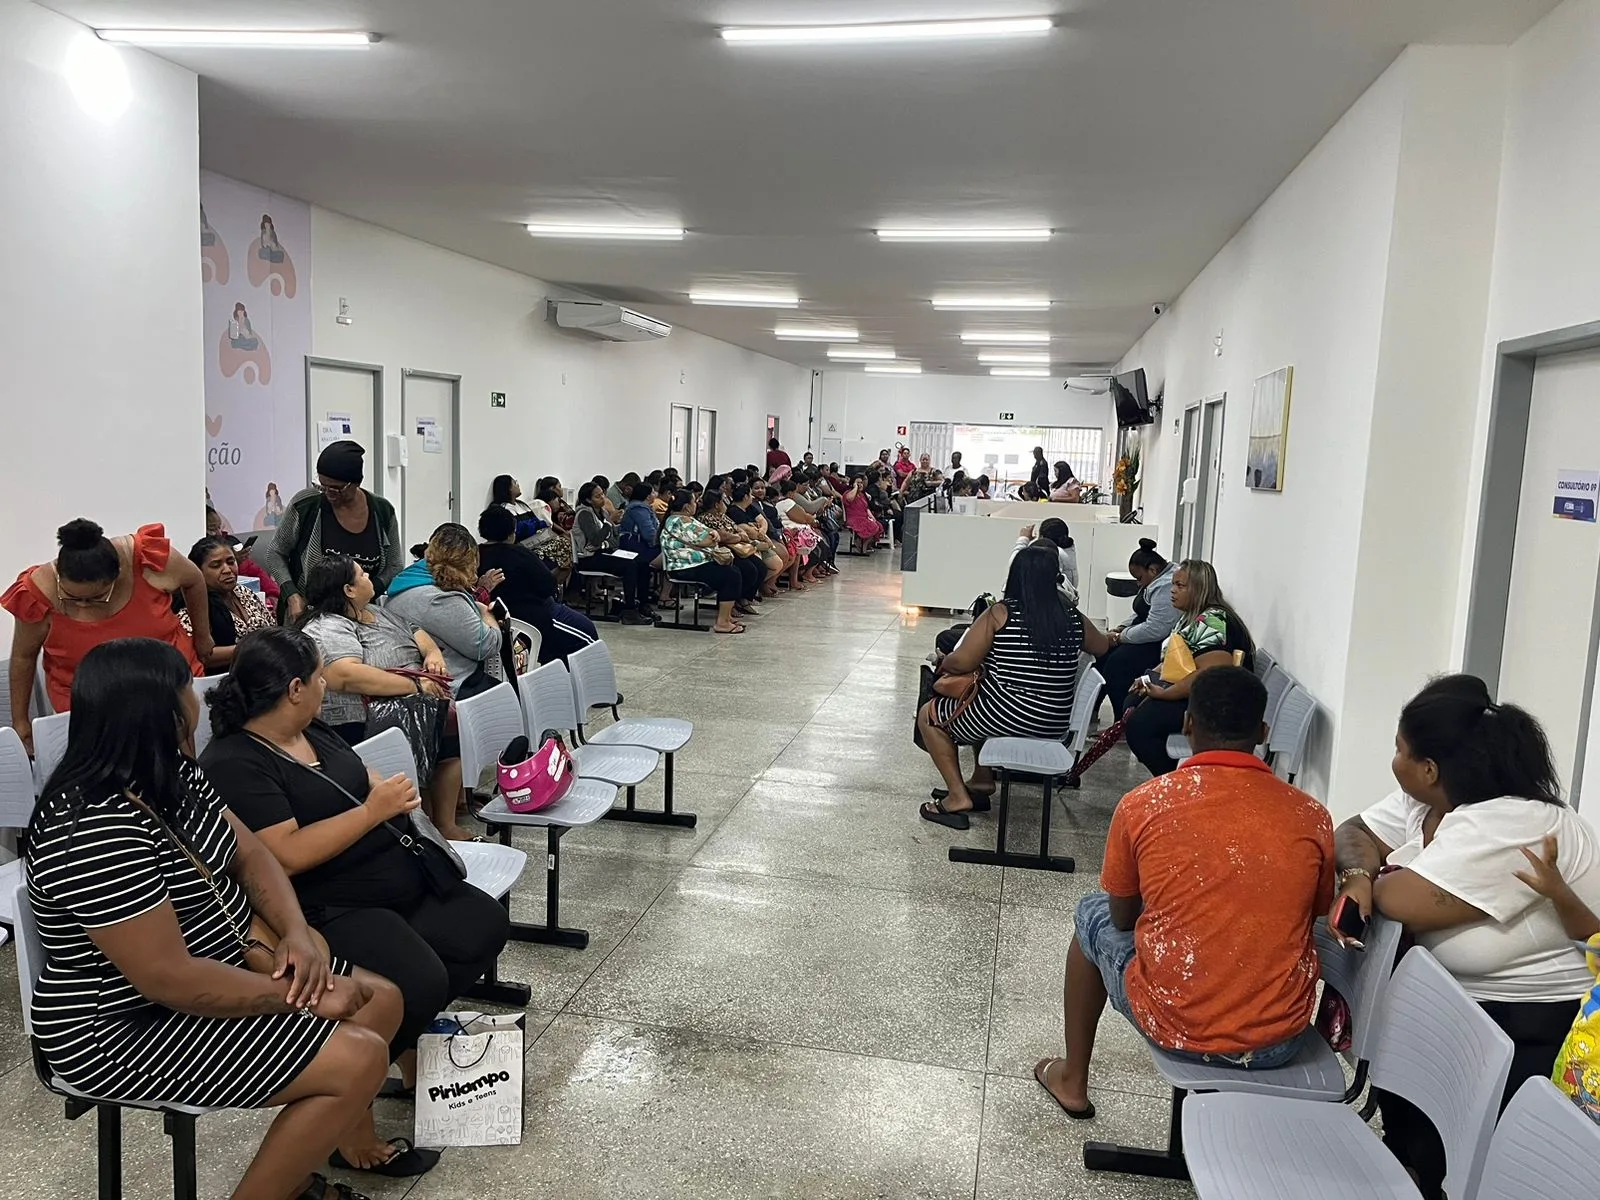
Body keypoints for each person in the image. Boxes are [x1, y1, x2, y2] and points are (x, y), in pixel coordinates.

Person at [27, 637, 403, 1200]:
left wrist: (296, 932)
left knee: (383, 1001)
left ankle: (304, 1168)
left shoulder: (171, 772)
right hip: (121, 1025)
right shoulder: (93, 830)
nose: (198, 700)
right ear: (162, 711)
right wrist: (296, 998)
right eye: (187, 688)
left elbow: (251, 854)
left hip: (221, 959)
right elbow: (168, 979)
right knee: (359, 1057)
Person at [202, 628, 511, 1175]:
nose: (326, 685)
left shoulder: (310, 729)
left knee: (480, 926)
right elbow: (285, 855)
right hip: (326, 904)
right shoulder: (235, 762)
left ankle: (400, 1049)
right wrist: (371, 812)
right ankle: (350, 1118)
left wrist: (385, 796)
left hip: (391, 876)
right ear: (294, 689)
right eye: (319, 677)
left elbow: (359, 776)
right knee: (420, 978)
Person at [1329, 674, 1600, 1198]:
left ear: (1429, 769)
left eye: (1399, 749)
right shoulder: (1431, 799)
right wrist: (1359, 873)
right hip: (1462, 1009)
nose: (1393, 760)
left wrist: (1373, 880)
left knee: (1470, 1169)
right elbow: (1353, 831)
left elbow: (1400, 900)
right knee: (1412, 1128)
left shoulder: (1515, 822)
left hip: (1531, 1029)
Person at [1033, 667, 1334, 1120]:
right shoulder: (1311, 815)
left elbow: (1121, 918)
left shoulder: (1145, 803)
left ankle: (1073, 1078)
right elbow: (1313, 912)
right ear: (1263, 732)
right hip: (1280, 1039)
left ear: (1189, 724)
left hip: (1175, 1023)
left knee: (1091, 913)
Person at [297, 558, 469, 841]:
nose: (369, 576)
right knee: (441, 723)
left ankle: (444, 823)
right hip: (363, 717)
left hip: (412, 701)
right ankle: (424, 826)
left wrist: (432, 654)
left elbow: (414, 630)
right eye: (362, 574)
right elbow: (345, 675)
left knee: (451, 726)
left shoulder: (374, 610)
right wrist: (415, 685)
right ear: (349, 590)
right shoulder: (328, 626)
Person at [919, 546, 1087, 828]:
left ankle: (958, 796)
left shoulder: (1001, 613)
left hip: (1009, 715)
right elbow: (1101, 645)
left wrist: (945, 660)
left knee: (930, 715)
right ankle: (982, 780)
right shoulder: (1072, 616)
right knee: (982, 700)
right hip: (1054, 722)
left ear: (1016, 576)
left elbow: (963, 661)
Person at [5, 520, 210, 747]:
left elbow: (194, 580)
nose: (83, 605)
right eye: (72, 598)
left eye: (96, 597)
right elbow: (23, 657)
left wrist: (203, 637)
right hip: (90, 708)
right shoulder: (38, 592)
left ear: (117, 575)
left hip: (170, 687)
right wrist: (20, 721)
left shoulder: (148, 559)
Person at [1121, 559, 1253, 776]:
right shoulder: (1191, 616)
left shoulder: (1212, 621)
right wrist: (1149, 678)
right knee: (1133, 701)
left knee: (1141, 727)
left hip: (1219, 705)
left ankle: (1173, 781)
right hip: (1200, 694)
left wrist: (1166, 693)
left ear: (1199, 589)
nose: (1172, 590)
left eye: (1180, 586)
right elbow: (1175, 658)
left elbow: (1210, 675)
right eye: (1173, 584)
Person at [263, 441, 403, 622]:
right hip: (307, 612)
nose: (329, 493)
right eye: (322, 486)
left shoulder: (382, 511)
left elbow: (394, 565)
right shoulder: (306, 504)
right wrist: (291, 594)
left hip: (360, 613)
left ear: (356, 483)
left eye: (336, 488)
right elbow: (275, 553)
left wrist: (368, 591)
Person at [382, 523, 506, 688]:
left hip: (414, 676)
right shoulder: (440, 600)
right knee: (510, 694)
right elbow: (486, 646)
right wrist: (486, 613)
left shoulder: (407, 581)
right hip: (453, 684)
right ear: (470, 564)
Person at [475, 506, 599, 664]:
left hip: (501, 622)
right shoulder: (519, 554)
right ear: (511, 531)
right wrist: (561, 571)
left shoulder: (476, 555)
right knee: (587, 633)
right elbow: (549, 585)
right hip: (537, 617)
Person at [1096, 539, 1180, 717]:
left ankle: (1122, 720)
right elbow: (1140, 613)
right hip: (1144, 634)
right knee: (1101, 654)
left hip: (1156, 643)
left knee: (1116, 665)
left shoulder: (1166, 586)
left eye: (1139, 578)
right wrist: (1120, 628)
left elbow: (1156, 629)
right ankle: (1091, 711)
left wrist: (1120, 637)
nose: (1138, 584)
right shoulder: (1156, 578)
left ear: (1153, 570)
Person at [181, 536, 276, 674]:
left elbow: (271, 626)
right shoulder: (193, 605)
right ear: (198, 572)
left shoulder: (243, 592)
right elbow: (203, 656)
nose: (227, 570)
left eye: (231, 562)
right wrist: (254, 648)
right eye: (216, 565)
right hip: (224, 678)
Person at [660, 490, 747, 635]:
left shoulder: (688, 519)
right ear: (687, 507)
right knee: (730, 576)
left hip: (697, 564)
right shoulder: (677, 522)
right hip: (684, 567)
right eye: (694, 502)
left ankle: (726, 617)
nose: (697, 504)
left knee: (734, 571)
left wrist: (714, 534)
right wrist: (713, 536)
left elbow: (710, 533)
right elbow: (707, 539)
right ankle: (722, 623)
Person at [572, 481, 655, 624]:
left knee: (642, 562)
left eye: (602, 495)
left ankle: (642, 603)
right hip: (589, 558)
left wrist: (611, 532)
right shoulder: (584, 514)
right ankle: (629, 610)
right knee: (629, 565)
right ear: (588, 500)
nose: (603, 498)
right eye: (598, 496)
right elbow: (596, 540)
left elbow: (613, 538)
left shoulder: (602, 512)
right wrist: (609, 523)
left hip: (605, 552)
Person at [696, 489, 766, 615]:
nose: (725, 504)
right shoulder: (706, 518)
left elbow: (737, 527)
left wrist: (740, 534)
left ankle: (744, 598)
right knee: (747, 570)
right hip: (723, 551)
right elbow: (723, 537)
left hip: (738, 548)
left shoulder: (723, 516)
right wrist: (739, 537)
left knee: (760, 567)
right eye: (722, 501)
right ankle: (731, 602)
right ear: (716, 504)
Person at [774, 476, 829, 583]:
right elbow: (803, 518)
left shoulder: (781, 502)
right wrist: (813, 520)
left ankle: (806, 573)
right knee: (820, 545)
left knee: (822, 540)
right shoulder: (788, 503)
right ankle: (806, 573)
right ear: (791, 493)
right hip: (792, 532)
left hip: (792, 530)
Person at [1014, 519, 1078, 592]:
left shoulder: (1053, 555)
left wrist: (1023, 539)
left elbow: (1016, 566)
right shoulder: (1067, 551)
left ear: (1042, 537)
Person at [842, 475, 885, 550]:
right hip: (854, 519)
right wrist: (855, 488)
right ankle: (862, 546)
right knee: (872, 526)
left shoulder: (862, 495)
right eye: (858, 483)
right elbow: (849, 499)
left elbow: (866, 508)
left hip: (864, 517)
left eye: (861, 482)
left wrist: (872, 517)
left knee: (878, 525)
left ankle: (865, 545)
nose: (860, 484)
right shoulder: (848, 493)